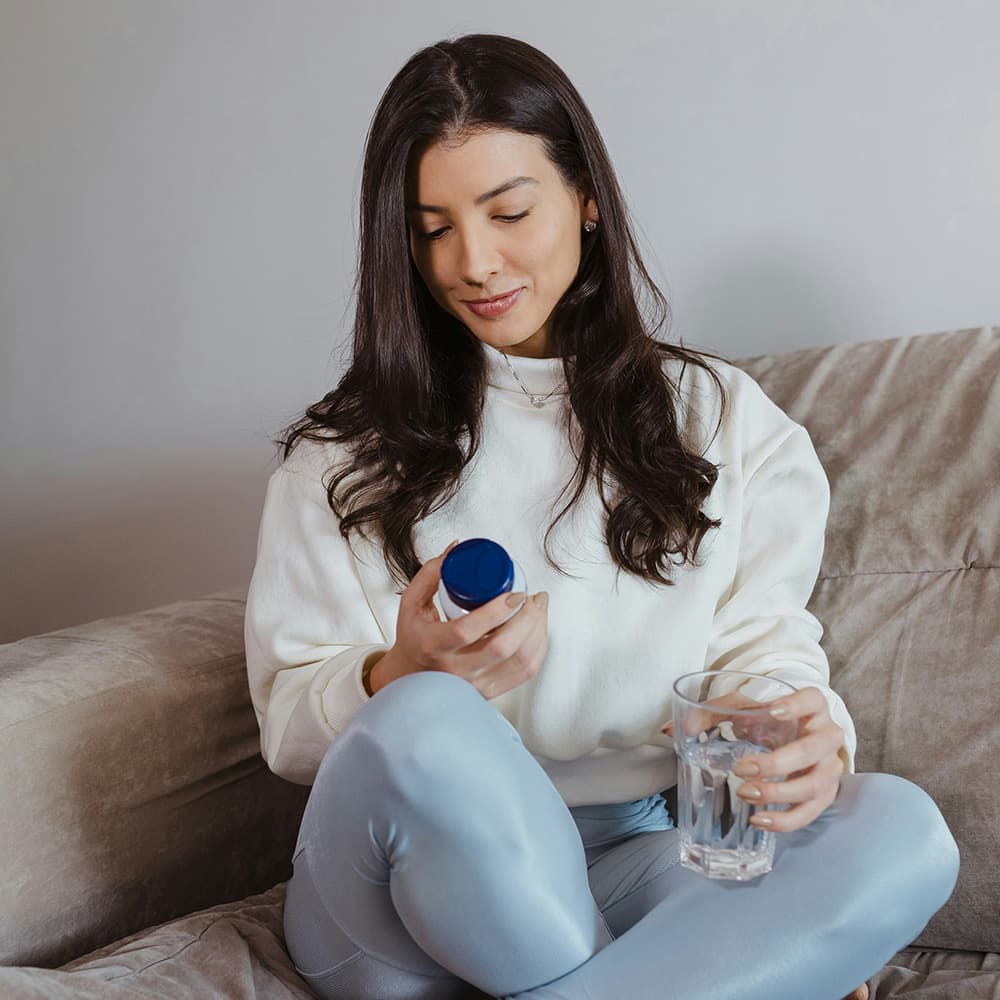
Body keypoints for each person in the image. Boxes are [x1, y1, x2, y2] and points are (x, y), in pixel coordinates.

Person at [244, 33, 959, 1000]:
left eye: (509, 212)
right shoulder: (340, 456)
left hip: (630, 861)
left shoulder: (724, 422)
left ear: (586, 199)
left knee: (901, 832)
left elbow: (764, 656)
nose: (473, 261)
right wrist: (399, 672)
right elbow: (291, 724)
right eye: (433, 228)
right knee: (426, 720)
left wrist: (804, 737)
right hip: (386, 891)